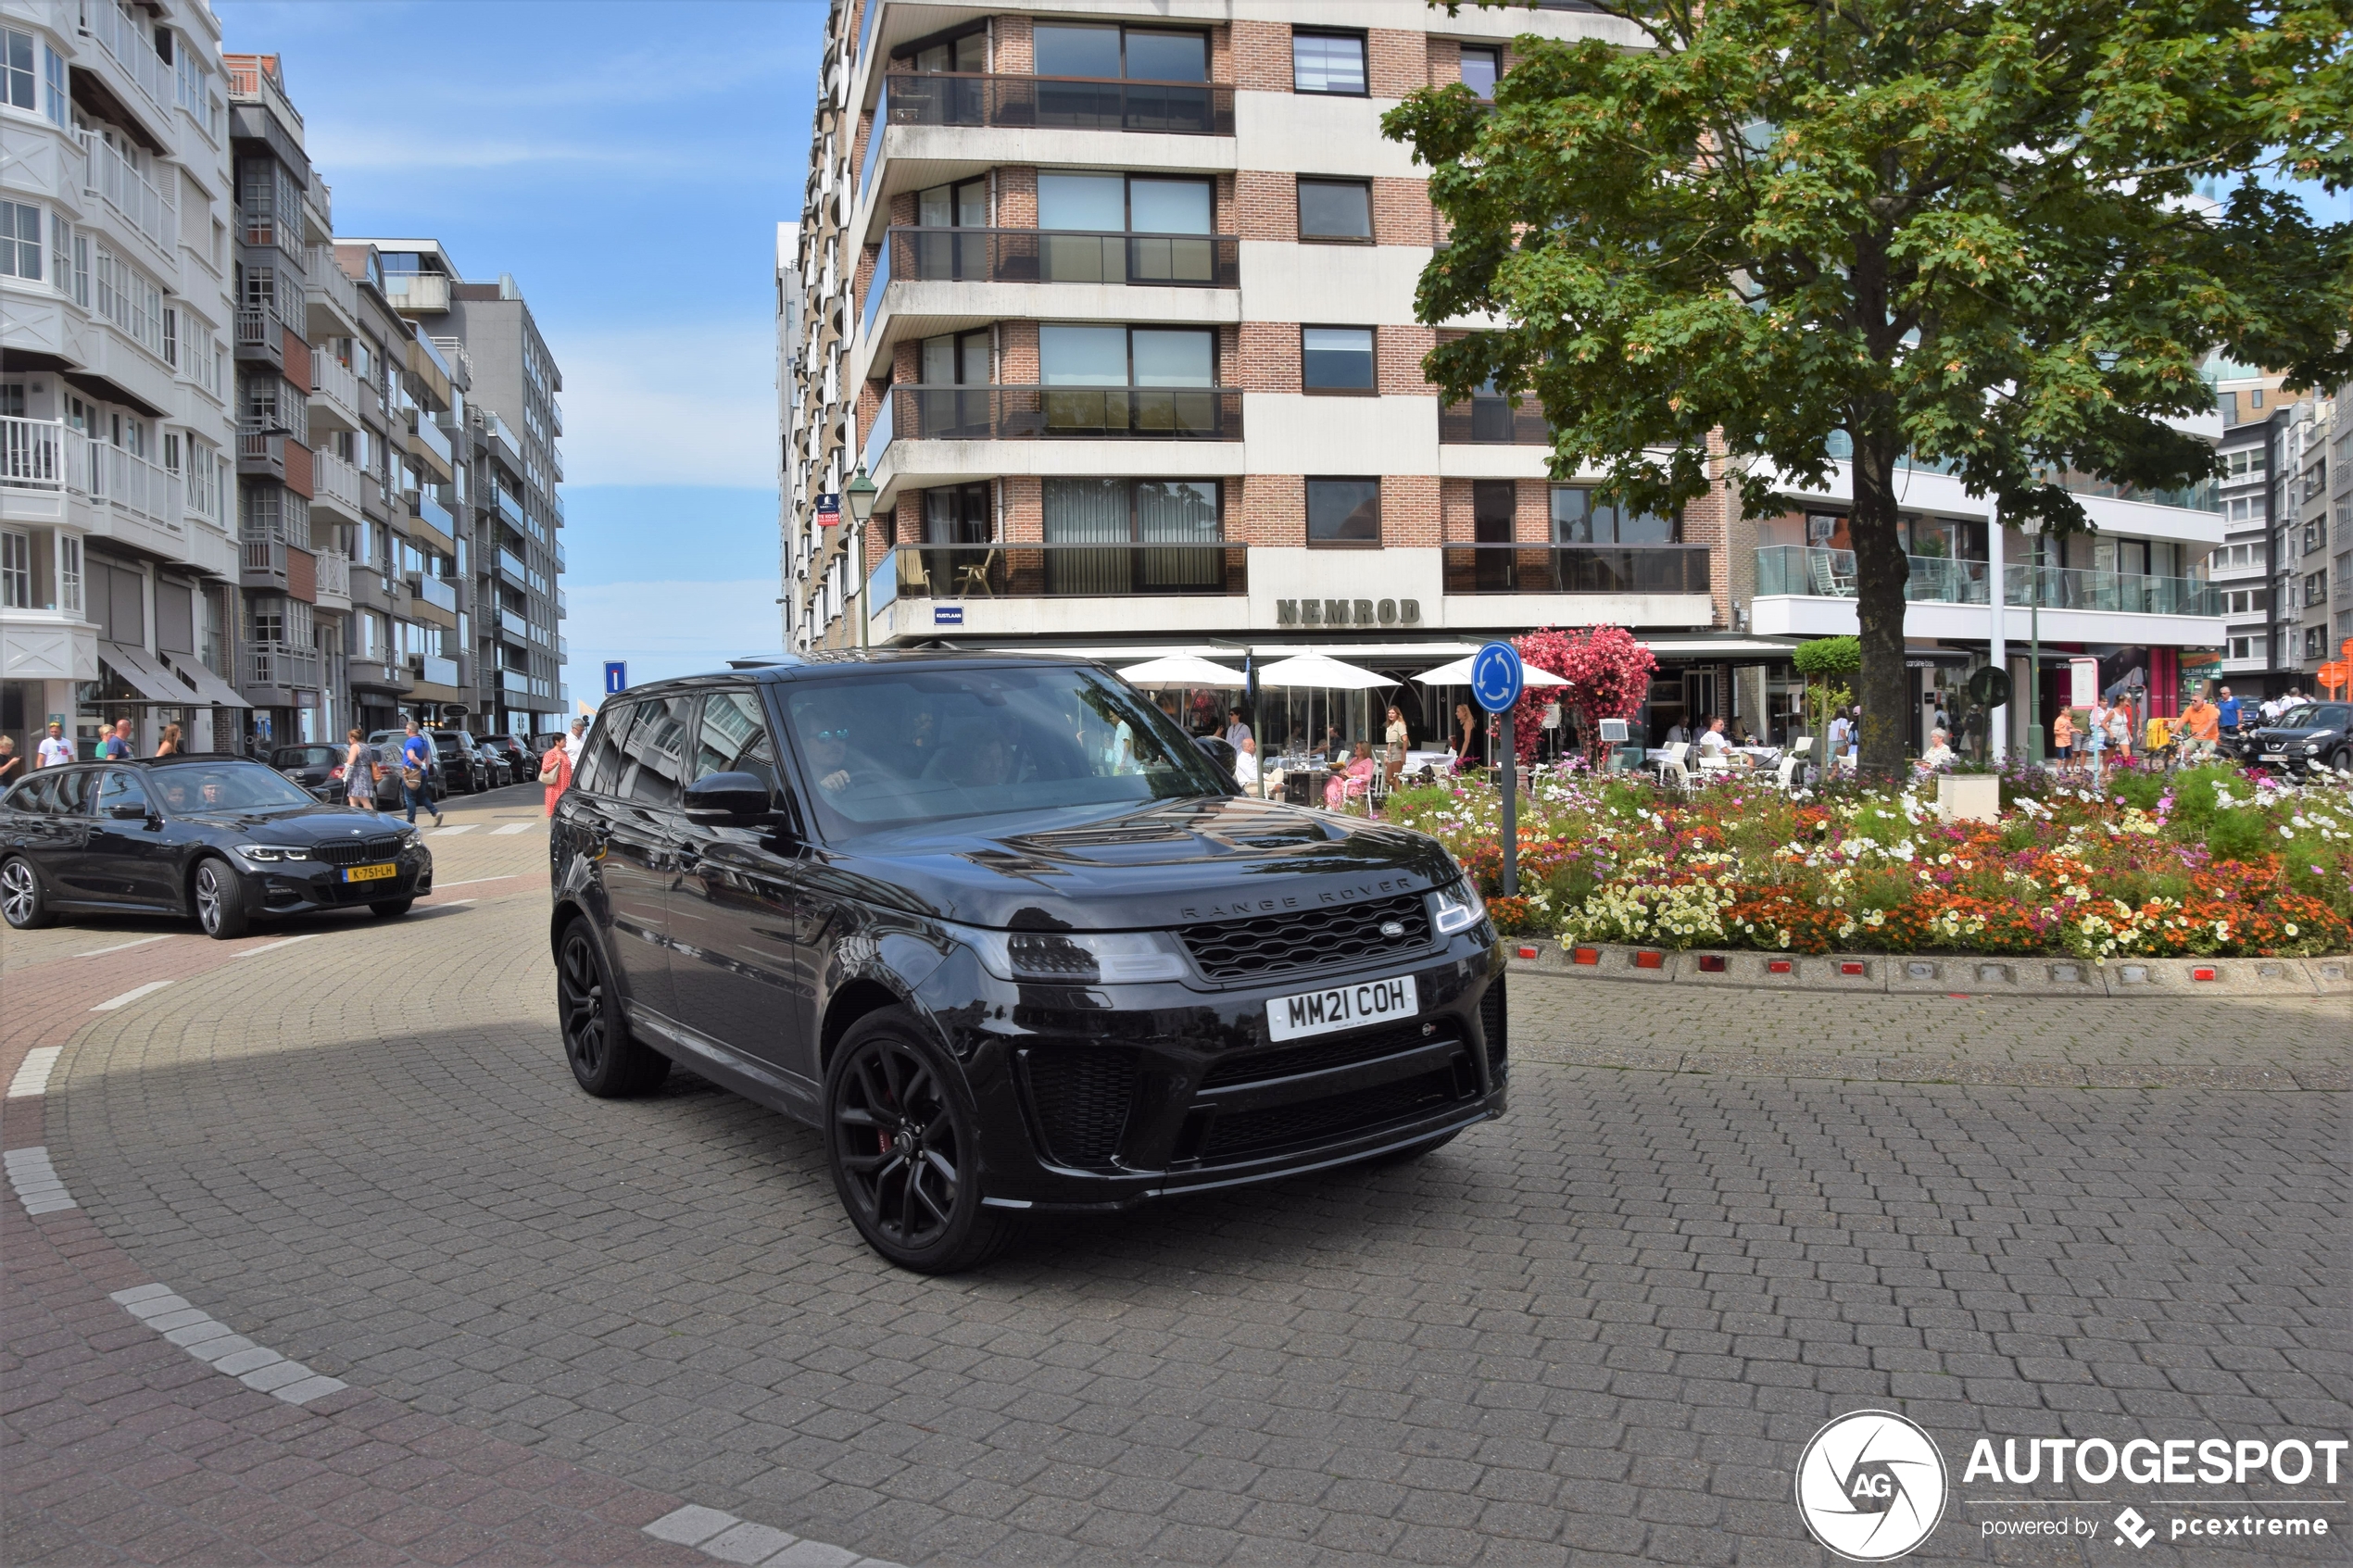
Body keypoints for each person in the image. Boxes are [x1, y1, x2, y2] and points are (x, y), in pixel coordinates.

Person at [398, 720, 444, 827]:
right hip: (422, 773)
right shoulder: (424, 742)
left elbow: (411, 756)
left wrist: (419, 764)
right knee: (422, 795)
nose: (405, 731)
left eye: (406, 729)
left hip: (411, 773)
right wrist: (425, 769)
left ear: (409, 730)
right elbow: (427, 758)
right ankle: (435, 812)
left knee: (410, 798)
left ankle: (411, 821)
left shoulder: (410, 742)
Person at [343, 728, 379, 811]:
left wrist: (343, 773)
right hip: (366, 771)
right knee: (352, 798)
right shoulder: (366, 746)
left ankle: (373, 817)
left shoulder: (355, 746)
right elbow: (370, 760)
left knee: (363, 799)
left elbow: (350, 761)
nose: (349, 740)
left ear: (353, 738)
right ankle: (356, 818)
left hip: (358, 774)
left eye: (349, 738)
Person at [539, 733, 573, 815]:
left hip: (565, 785)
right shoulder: (550, 754)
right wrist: (556, 762)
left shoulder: (565, 753)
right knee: (556, 812)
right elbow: (545, 768)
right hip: (556, 786)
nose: (566, 742)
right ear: (557, 742)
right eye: (564, 740)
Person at [1383, 705, 1408, 793]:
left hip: (1398, 750)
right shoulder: (1390, 726)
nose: (1390, 715)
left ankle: (1401, 797)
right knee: (1388, 778)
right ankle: (1398, 794)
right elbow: (1390, 742)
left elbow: (1405, 740)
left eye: (1393, 713)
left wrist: (1403, 756)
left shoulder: (1400, 724)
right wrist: (1387, 755)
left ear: (1397, 714)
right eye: (1389, 713)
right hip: (1391, 750)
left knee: (1395, 777)